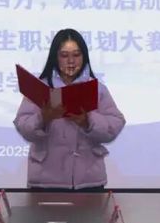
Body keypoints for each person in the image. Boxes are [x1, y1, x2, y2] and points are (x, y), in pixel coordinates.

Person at [14, 28, 125, 190]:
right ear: (55, 57)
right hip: (45, 179)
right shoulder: (40, 88)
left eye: (77, 55)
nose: (71, 61)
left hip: (88, 180)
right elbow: (23, 125)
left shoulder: (97, 89)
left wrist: (88, 121)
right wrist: (42, 119)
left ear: (84, 56)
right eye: (64, 55)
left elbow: (115, 124)